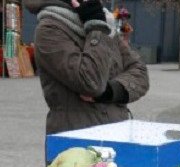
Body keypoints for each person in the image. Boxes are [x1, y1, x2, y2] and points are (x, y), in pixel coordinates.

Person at [25, 0, 149, 136]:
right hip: (76, 140)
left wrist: (111, 92)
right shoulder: (50, 29)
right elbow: (91, 82)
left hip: (116, 135)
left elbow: (140, 72)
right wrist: (96, 27)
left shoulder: (104, 23)